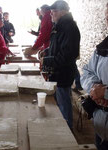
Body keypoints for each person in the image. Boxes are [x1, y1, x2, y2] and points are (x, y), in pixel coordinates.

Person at [40, 0, 80, 129]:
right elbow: (57, 47)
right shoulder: (60, 26)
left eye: (54, 12)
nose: (51, 15)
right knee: (59, 102)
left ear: (63, 12)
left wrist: (47, 60)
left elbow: (67, 55)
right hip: (57, 72)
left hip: (63, 73)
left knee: (63, 103)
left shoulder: (69, 27)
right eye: (51, 12)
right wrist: (46, 51)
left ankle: (67, 132)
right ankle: (61, 128)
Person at [81, 3, 108, 150]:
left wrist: (105, 93)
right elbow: (87, 72)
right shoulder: (103, 47)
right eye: (107, 18)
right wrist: (94, 87)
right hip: (101, 126)